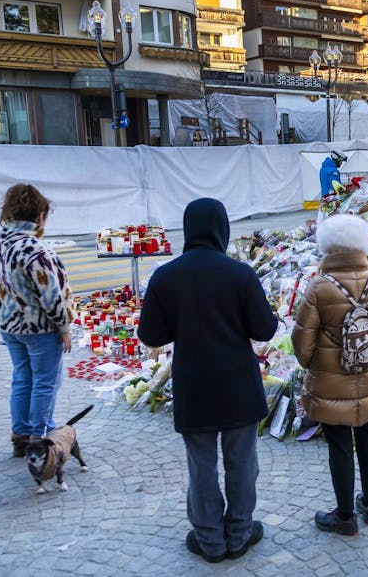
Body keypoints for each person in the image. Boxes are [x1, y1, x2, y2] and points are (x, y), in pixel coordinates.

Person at [138, 198, 278, 563]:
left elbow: (151, 335)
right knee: (242, 462)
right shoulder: (240, 274)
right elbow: (265, 328)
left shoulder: (166, 276)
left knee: (201, 466)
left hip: (193, 385)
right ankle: (240, 533)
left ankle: (210, 540)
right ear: (221, 229)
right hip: (238, 384)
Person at [291, 214, 368, 536]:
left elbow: (303, 340)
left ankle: (343, 517)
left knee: (339, 444)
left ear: (328, 246)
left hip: (330, 381)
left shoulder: (319, 288)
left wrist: (319, 364)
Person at [0, 184, 75, 458]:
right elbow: (52, 296)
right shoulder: (35, 250)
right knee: (46, 381)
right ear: (40, 215)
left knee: (22, 378)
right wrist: (65, 327)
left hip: (8, 325)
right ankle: (41, 435)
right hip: (39, 328)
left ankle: (20, 435)